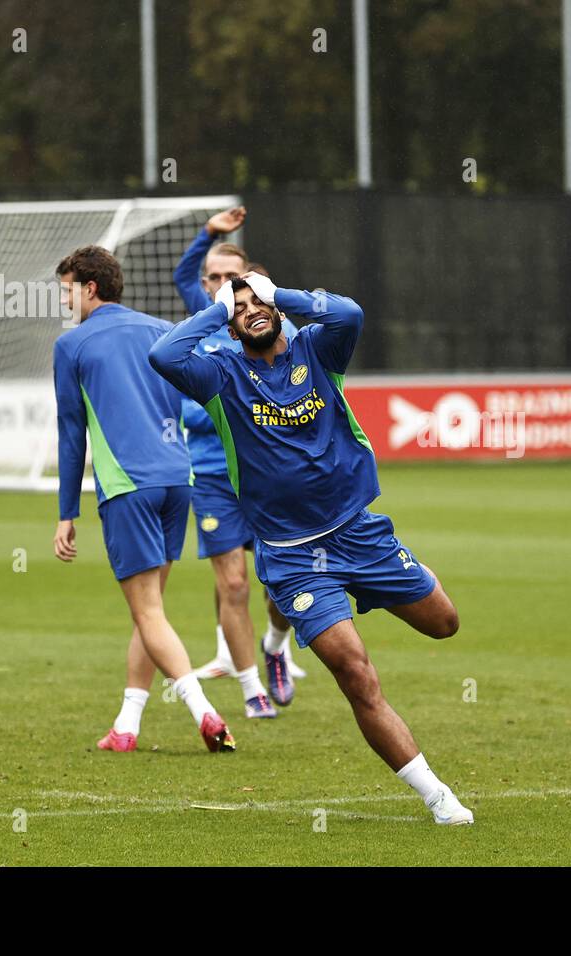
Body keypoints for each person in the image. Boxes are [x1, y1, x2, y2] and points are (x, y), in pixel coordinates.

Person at [148, 271, 473, 824]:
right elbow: (164, 353)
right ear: (228, 320)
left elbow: (349, 312)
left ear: (275, 306)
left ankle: (303, 628)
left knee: (444, 623)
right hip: (295, 558)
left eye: (257, 301)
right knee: (357, 673)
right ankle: (438, 798)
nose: (249, 310)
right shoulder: (220, 373)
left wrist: (279, 294)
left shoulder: (317, 349)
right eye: (239, 306)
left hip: (360, 533)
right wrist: (218, 307)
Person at [51, 245, 235, 753]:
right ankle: (126, 726)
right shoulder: (161, 329)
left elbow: (72, 436)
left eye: (66, 289)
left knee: (148, 611)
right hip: (179, 478)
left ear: (89, 288)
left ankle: (205, 713)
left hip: (127, 484)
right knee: (150, 611)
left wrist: (67, 513)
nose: (63, 300)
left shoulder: (72, 346)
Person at [171, 206, 303, 709]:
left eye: (235, 277)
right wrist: (208, 232)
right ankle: (252, 691)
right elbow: (196, 411)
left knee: (281, 584)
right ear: (207, 287)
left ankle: (275, 646)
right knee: (232, 581)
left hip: (266, 478)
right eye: (217, 278)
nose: (225, 285)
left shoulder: (265, 333)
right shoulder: (198, 332)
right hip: (210, 476)